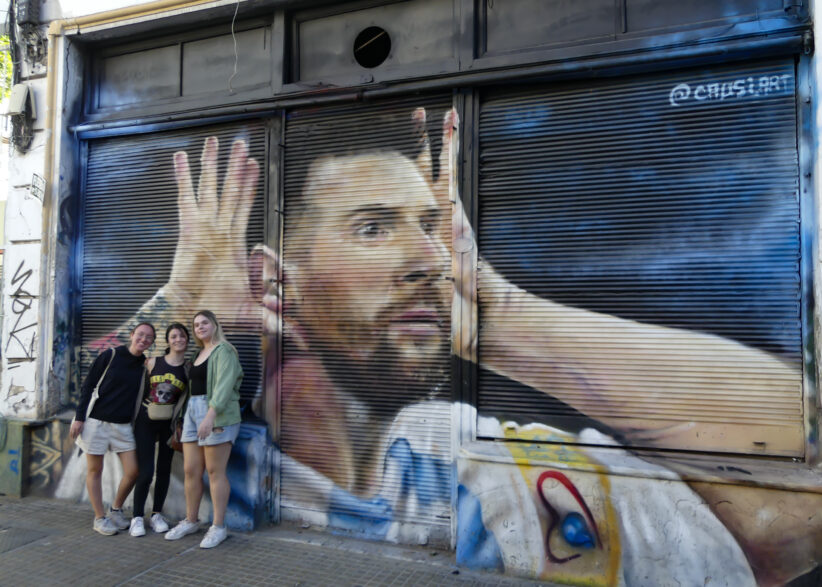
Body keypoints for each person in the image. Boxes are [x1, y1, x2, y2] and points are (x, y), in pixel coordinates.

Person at [79, 115, 822, 583]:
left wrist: (501, 317)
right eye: (374, 226)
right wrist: (183, 298)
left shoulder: (487, 472)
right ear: (275, 282)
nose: (430, 258)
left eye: (430, 225)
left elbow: (787, 510)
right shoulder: (192, 482)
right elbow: (95, 413)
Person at [164, 310, 243, 549]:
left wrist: (211, 414)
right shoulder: (199, 353)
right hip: (192, 412)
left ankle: (219, 527)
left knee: (215, 471)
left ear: (215, 324)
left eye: (204, 322)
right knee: (190, 470)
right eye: (196, 324)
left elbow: (224, 385)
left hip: (217, 412)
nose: (200, 327)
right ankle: (191, 520)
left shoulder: (224, 350)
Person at [69, 322, 155, 535]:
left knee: (133, 472)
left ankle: (115, 509)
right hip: (96, 422)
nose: (143, 339)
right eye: (140, 334)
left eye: (148, 337)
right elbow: (88, 385)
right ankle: (99, 518)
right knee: (95, 470)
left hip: (123, 425)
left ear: (152, 342)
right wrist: (79, 418)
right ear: (132, 334)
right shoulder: (111, 355)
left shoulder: (145, 365)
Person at [129, 322, 190, 537]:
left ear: (187, 340)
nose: (178, 340)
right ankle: (137, 517)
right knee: (145, 471)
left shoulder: (187, 369)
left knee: (163, 470)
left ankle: (156, 514)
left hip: (169, 426)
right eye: (173, 336)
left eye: (182, 336)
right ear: (168, 340)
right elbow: (138, 391)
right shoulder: (153, 362)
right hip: (146, 421)